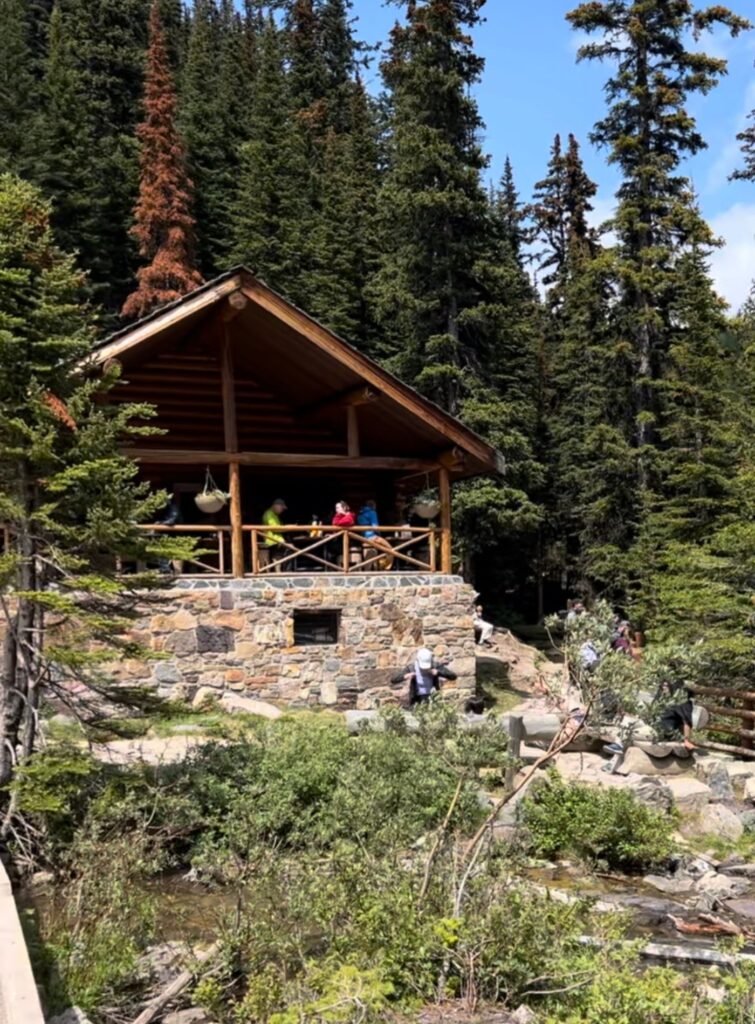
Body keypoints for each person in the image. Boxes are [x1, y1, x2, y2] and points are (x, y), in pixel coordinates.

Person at [391, 647, 458, 706]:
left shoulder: (435, 665)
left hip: (433, 699)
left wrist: (438, 673)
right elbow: (393, 680)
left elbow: (453, 676)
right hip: (417, 699)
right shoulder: (412, 667)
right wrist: (405, 676)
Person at [156, 484, 182, 573]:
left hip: (176, 536)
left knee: (165, 551)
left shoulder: (173, 507)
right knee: (160, 549)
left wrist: (160, 524)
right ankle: (165, 569)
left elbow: (172, 520)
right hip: (168, 536)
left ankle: (167, 570)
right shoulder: (166, 509)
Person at [261, 498, 288, 568]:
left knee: (291, 548)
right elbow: (275, 529)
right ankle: (281, 572)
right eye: (282, 508)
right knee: (290, 549)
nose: (282, 510)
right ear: (276, 506)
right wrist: (288, 527)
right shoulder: (269, 514)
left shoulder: (275, 515)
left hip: (277, 541)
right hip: (272, 541)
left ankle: (281, 571)